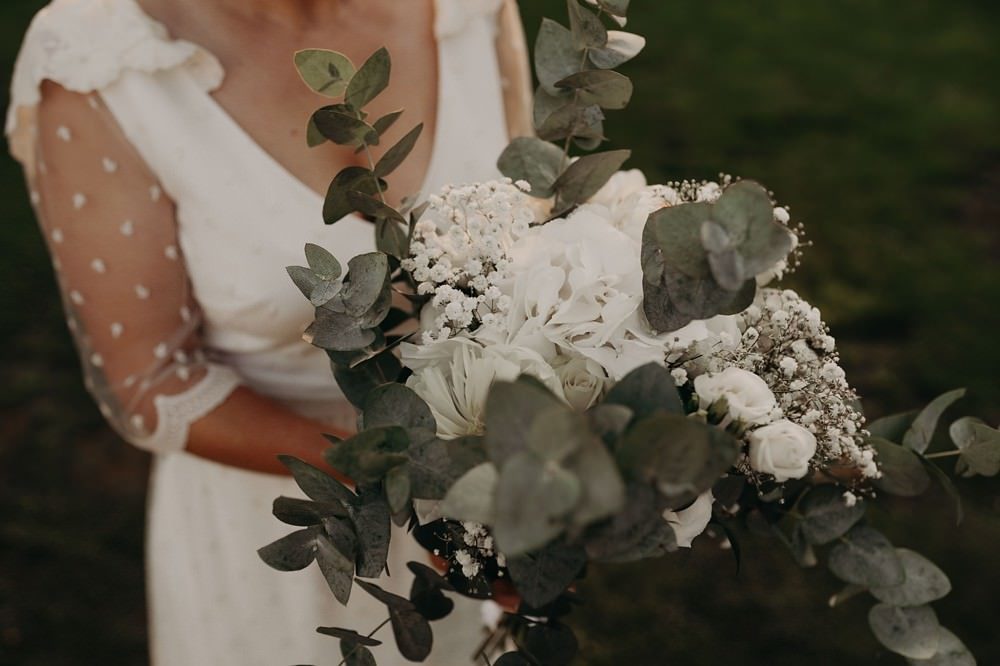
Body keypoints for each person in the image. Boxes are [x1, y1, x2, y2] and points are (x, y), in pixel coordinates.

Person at [6, 0, 532, 663]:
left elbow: (536, 238)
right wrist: (415, 483)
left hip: (483, 497)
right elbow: (149, 384)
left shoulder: (468, 10)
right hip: (283, 529)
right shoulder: (101, 57)